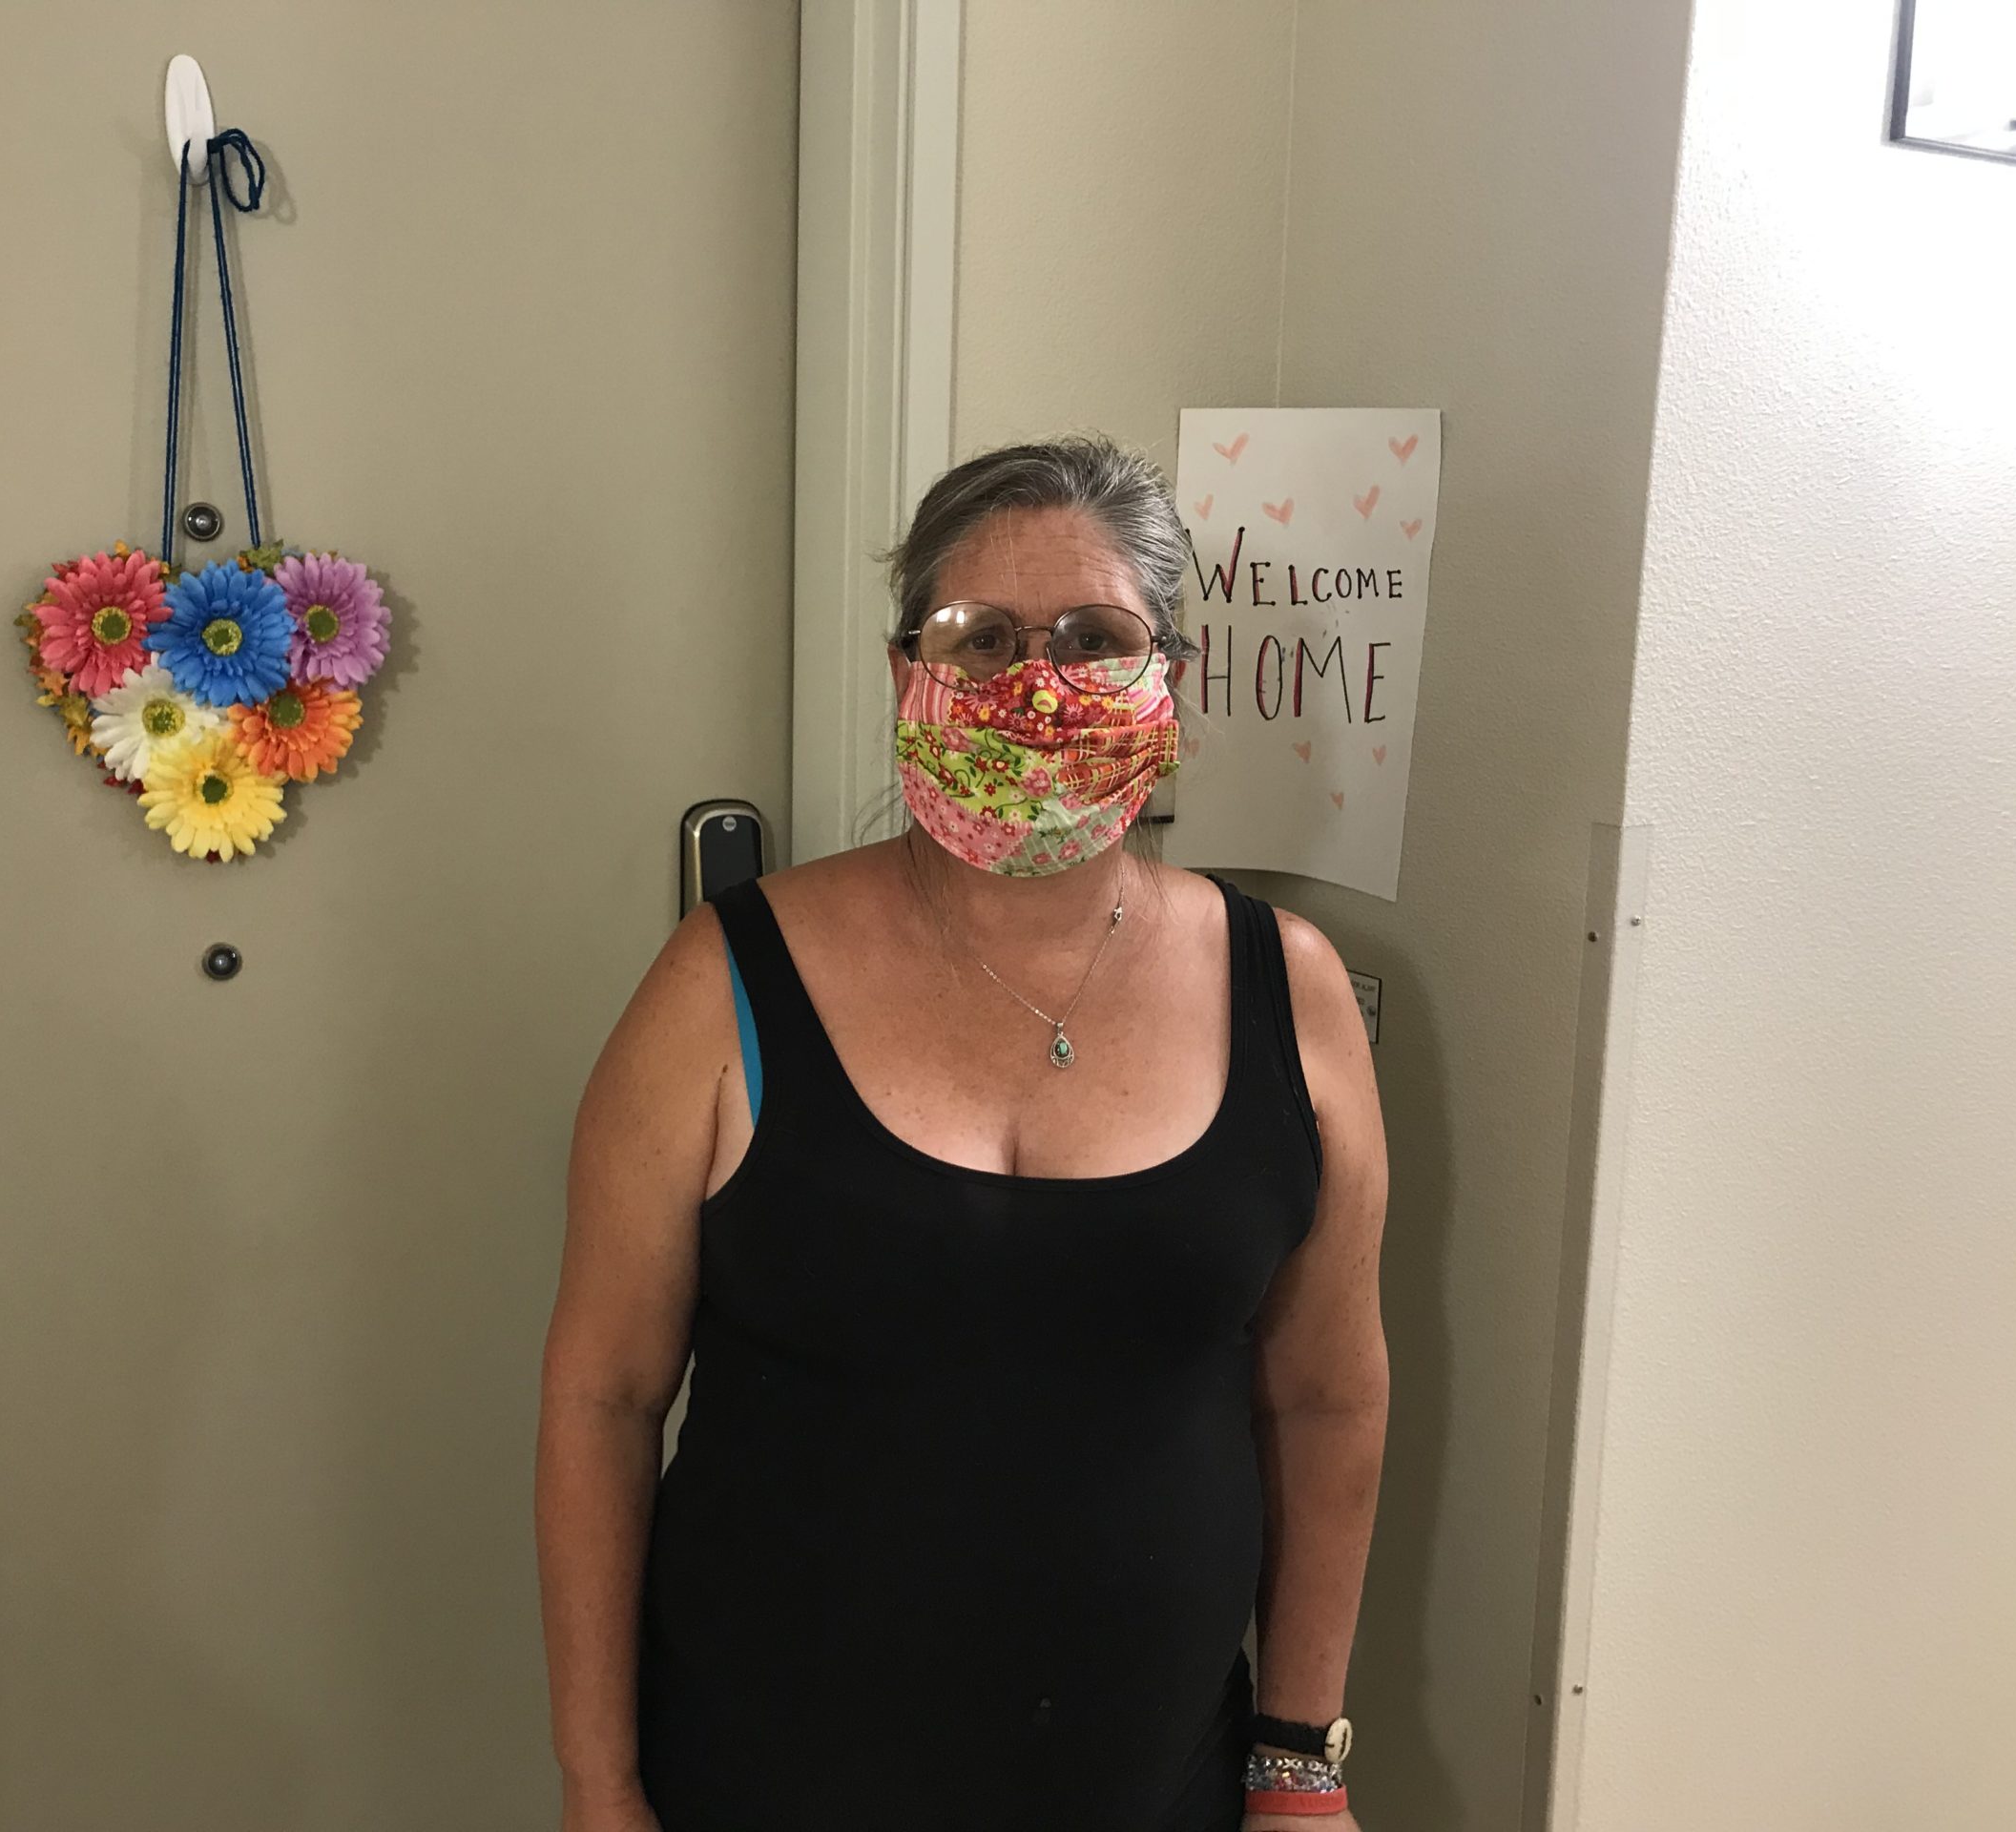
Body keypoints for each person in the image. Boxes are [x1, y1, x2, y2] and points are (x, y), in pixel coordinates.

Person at [535, 434, 1389, 1832]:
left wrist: (1301, 1772)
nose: (1036, 687)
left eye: (1094, 638)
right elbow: (602, 1399)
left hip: (1155, 1784)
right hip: (756, 1784)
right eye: (980, 638)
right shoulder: (722, 979)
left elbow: (1327, 1398)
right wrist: (598, 1782)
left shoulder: (1289, 991)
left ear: (1168, 678)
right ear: (904, 677)